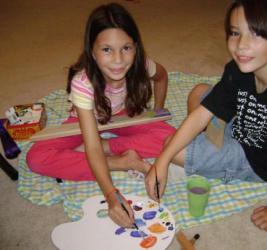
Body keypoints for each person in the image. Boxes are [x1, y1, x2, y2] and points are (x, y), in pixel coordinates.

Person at [145, 0, 267, 232]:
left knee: (172, 146)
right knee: (200, 92)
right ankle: (207, 143)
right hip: (241, 125)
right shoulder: (238, 68)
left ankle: (205, 149)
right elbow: (203, 112)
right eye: (235, 33)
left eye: (254, 34)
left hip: (256, 160)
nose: (241, 45)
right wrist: (161, 161)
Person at [27, 3, 175, 227]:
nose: (118, 60)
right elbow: (92, 149)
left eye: (126, 48)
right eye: (107, 49)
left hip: (124, 114)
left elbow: (162, 77)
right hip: (86, 119)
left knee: (172, 138)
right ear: (92, 52)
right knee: (36, 158)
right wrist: (111, 194)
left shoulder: (141, 64)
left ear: (136, 48)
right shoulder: (83, 82)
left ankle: (109, 146)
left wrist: (158, 111)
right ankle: (120, 161)